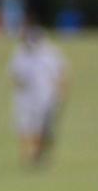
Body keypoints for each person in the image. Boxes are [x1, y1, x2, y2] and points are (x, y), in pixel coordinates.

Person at [10, 22, 68, 164]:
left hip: (45, 98)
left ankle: (37, 155)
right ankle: (27, 156)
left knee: (41, 129)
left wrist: (61, 92)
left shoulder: (50, 53)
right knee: (24, 127)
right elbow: (14, 75)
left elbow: (61, 72)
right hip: (25, 98)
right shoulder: (20, 53)